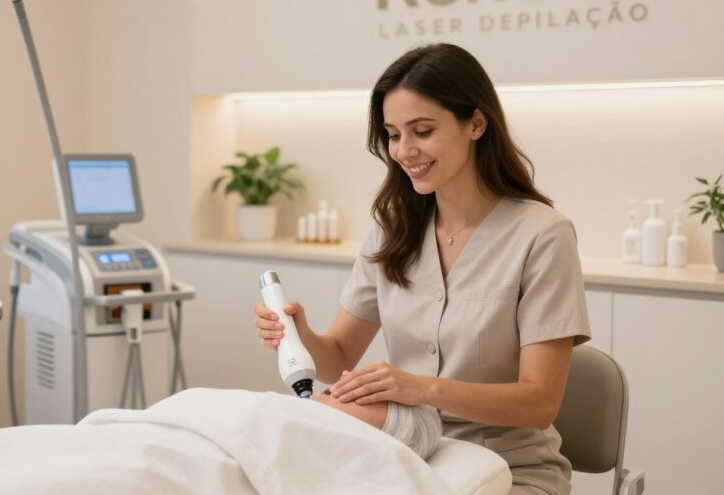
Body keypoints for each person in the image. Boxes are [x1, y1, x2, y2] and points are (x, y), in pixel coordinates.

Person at [253, 43, 590, 495]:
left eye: (422, 130)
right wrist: (302, 336)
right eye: (393, 134)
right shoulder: (394, 228)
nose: (405, 150)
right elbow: (336, 359)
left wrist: (420, 389)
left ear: (475, 123)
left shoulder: (542, 235)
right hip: (404, 456)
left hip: (510, 471)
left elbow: (539, 404)